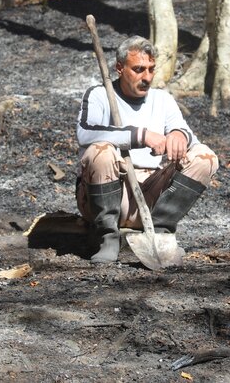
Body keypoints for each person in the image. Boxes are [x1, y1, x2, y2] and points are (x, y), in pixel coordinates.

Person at [76, 36, 219, 263]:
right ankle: (108, 237)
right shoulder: (99, 95)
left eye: (151, 69)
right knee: (99, 150)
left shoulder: (162, 99)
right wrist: (140, 136)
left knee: (205, 157)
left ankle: (161, 234)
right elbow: (85, 133)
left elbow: (188, 135)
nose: (147, 77)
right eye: (139, 69)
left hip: (150, 195)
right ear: (120, 68)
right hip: (107, 191)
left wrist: (178, 135)